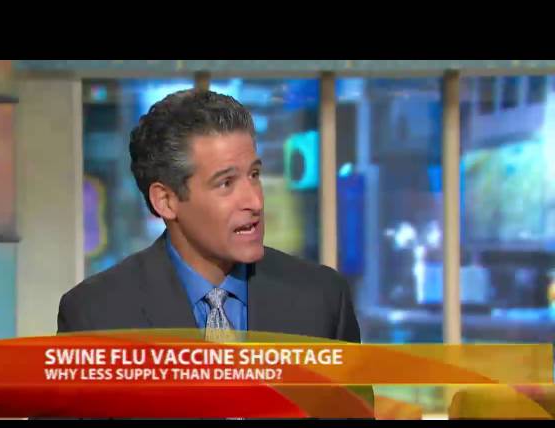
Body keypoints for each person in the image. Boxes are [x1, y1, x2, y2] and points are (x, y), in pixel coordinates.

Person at [57, 89, 361, 344]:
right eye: (226, 183)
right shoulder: (95, 316)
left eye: (254, 175)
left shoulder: (322, 300)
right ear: (166, 201)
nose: (255, 201)